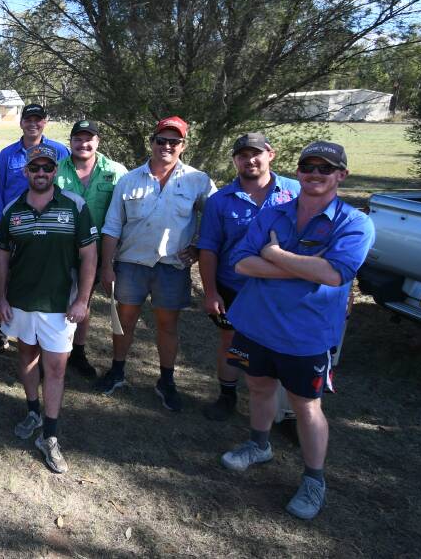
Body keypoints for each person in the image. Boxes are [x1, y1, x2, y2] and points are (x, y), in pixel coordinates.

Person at [220, 141, 373, 520]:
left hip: (307, 335)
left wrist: (273, 255)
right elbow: (240, 263)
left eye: (326, 168)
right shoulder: (275, 214)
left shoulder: (354, 223)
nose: (315, 174)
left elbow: (335, 273)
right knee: (257, 386)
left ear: (341, 175)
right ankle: (259, 445)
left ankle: (314, 480)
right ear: (299, 171)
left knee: (306, 407)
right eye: (308, 167)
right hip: (256, 323)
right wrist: (304, 265)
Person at [95, 116, 216, 412]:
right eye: (161, 140)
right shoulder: (129, 180)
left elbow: (215, 218)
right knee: (124, 322)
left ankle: (166, 380)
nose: (166, 146)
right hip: (131, 263)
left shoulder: (198, 181)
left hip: (171, 266)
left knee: (167, 325)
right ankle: (117, 371)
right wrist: (106, 266)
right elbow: (112, 225)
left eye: (174, 141)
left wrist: (200, 246)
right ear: (152, 143)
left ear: (183, 146)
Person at [0, 145, 98, 473]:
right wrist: (1, 298)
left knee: (55, 369)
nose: (41, 173)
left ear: (55, 172)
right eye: (34, 168)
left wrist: (82, 299)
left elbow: (89, 256)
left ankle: (50, 436)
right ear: (26, 172)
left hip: (59, 305)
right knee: (27, 357)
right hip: (22, 302)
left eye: (46, 169)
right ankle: (32, 411)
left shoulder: (74, 206)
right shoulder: (13, 209)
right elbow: (1, 258)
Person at [198, 133, 299, 420]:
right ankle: (227, 395)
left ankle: (286, 411)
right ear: (235, 160)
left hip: (282, 288)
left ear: (271, 154)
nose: (249, 160)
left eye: (256, 153)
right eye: (242, 155)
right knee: (231, 342)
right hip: (234, 287)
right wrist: (210, 292)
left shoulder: (295, 193)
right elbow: (209, 247)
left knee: (282, 346)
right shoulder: (220, 200)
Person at [54, 120, 129, 379]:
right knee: (56, 300)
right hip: (60, 249)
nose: (83, 144)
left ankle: (78, 351)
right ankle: (53, 351)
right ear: (70, 141)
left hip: (96, 252)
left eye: (89, 139)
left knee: (83, 301)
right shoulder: (57, 170)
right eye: (78, 138)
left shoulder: (116, 171)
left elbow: (125, 212)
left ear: (98, 142)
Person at [0, 103, 71, 222]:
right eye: (28, 120)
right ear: (21, 123)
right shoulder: (6, 154)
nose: (33, 124)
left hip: (52, 220)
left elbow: (69, 186)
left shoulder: (60, 151)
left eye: (37, 120)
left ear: (44, 122)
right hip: (15, 220)